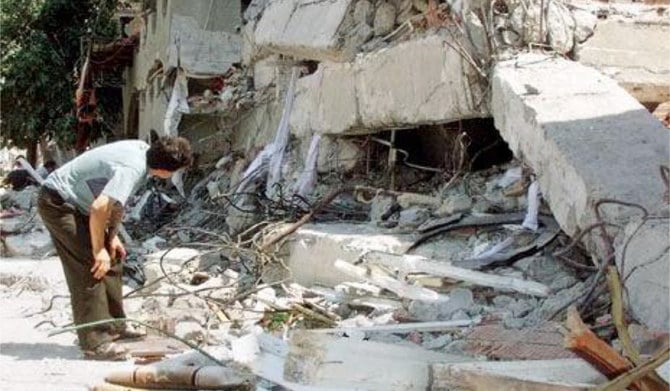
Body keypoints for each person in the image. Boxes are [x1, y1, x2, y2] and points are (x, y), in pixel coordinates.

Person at [37, 136, 193, 360]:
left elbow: (114, 203)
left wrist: (112, 237)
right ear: (165, 170)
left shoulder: (143, 152)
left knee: (114, 255)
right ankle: (95, 342)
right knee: (91, 265)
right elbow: (100, 207)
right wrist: (98, 249)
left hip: (81, 205)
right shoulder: (133, 168)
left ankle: (115, 327)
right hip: (59, 202)